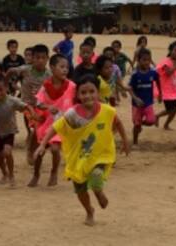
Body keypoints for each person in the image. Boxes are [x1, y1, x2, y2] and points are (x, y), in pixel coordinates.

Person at [34, 74, 130, 226]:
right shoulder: (72, 114)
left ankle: (98, 192)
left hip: (101, 154)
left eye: (92, 91)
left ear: (98, 92)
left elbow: (118, 123)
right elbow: (55, 127)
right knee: (80, 189)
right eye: (83, 93)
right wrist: (42, 144)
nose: (88, 96)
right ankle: (89, 211)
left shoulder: (107, 110)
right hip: (78, 157)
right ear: (77, 95)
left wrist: (125, 141)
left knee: (97, 175)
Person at [30, 54, 76, 187]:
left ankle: (54, 171)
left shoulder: (72, 86)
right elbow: (38, 103)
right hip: (46, 124)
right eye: (61, 67)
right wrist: (49, 107)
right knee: (40, 151)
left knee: (55, 149)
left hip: (61, 126)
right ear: (52, 67)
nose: (65, 70)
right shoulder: (46, 86)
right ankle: (36, 174)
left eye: (67, 67)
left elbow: (77, 102)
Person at [5, 44, 51, 165]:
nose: (40, 60)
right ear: (32, 58)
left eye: (43, 58)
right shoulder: (25, 69)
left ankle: (34, 147)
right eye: (37, 57)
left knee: (38, 131)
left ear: (47, 58)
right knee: (34, 129)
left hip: (42, 107)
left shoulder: (49, 75)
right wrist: (5, 85)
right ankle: (30, 152)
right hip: (26, 105)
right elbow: (10, 71)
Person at [0, 74, 34, 188]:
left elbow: (26, 106)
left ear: (6, 88)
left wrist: (33, 115)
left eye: (0, 90)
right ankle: (4, 173)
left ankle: (12, 175)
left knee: (7, 152)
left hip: (9, 132)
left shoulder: (12, 101)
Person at [129, 48, 161, 146]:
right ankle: (135, 142)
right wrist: (135, 98)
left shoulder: (153, 72)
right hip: (137, 105)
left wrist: (161, 94)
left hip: (148, 103)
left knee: (151, 121)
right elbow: (130, 88)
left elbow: (158, 82)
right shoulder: (135, 75)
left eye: (148, 59)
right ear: (139, 60)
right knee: (136, 124)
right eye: (144, 60)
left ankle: (140, 125)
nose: (146, 62)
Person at [155, 40, 176, 130]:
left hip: (174, 91)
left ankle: (165, 124)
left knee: (174, 110)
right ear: (170, 51)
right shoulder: (166, 62)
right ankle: (157, 116)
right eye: (175, 50)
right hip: (166, 91)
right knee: (171, 109)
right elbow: (169, 72)